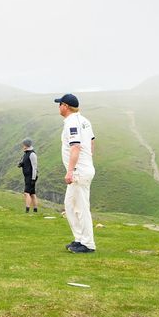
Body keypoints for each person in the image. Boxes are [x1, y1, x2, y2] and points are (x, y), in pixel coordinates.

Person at [54, 93, 96, 254]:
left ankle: (88, 244)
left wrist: (70, 171)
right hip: (84, 169)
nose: (58, 107)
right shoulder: (84, 121)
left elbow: (75, 147)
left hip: (79, 171)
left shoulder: (72, 123)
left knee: (81, 207)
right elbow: (91, 142)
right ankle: (79, 239)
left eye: (59, 104)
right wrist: (89, 160)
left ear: (65, 106)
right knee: (70, 205)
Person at [18, 138, 38, 213]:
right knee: (32, 194)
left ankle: (27, 210)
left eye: (23, 144)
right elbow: (26, 162)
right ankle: (35, 210)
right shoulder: (26, 153)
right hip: (28, 176)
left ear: (26, 145)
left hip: (30, 176)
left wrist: (33, 179)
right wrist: (22, 164)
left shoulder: (32, 154)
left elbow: (34, 167)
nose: (22, 146)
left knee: (26, 193)